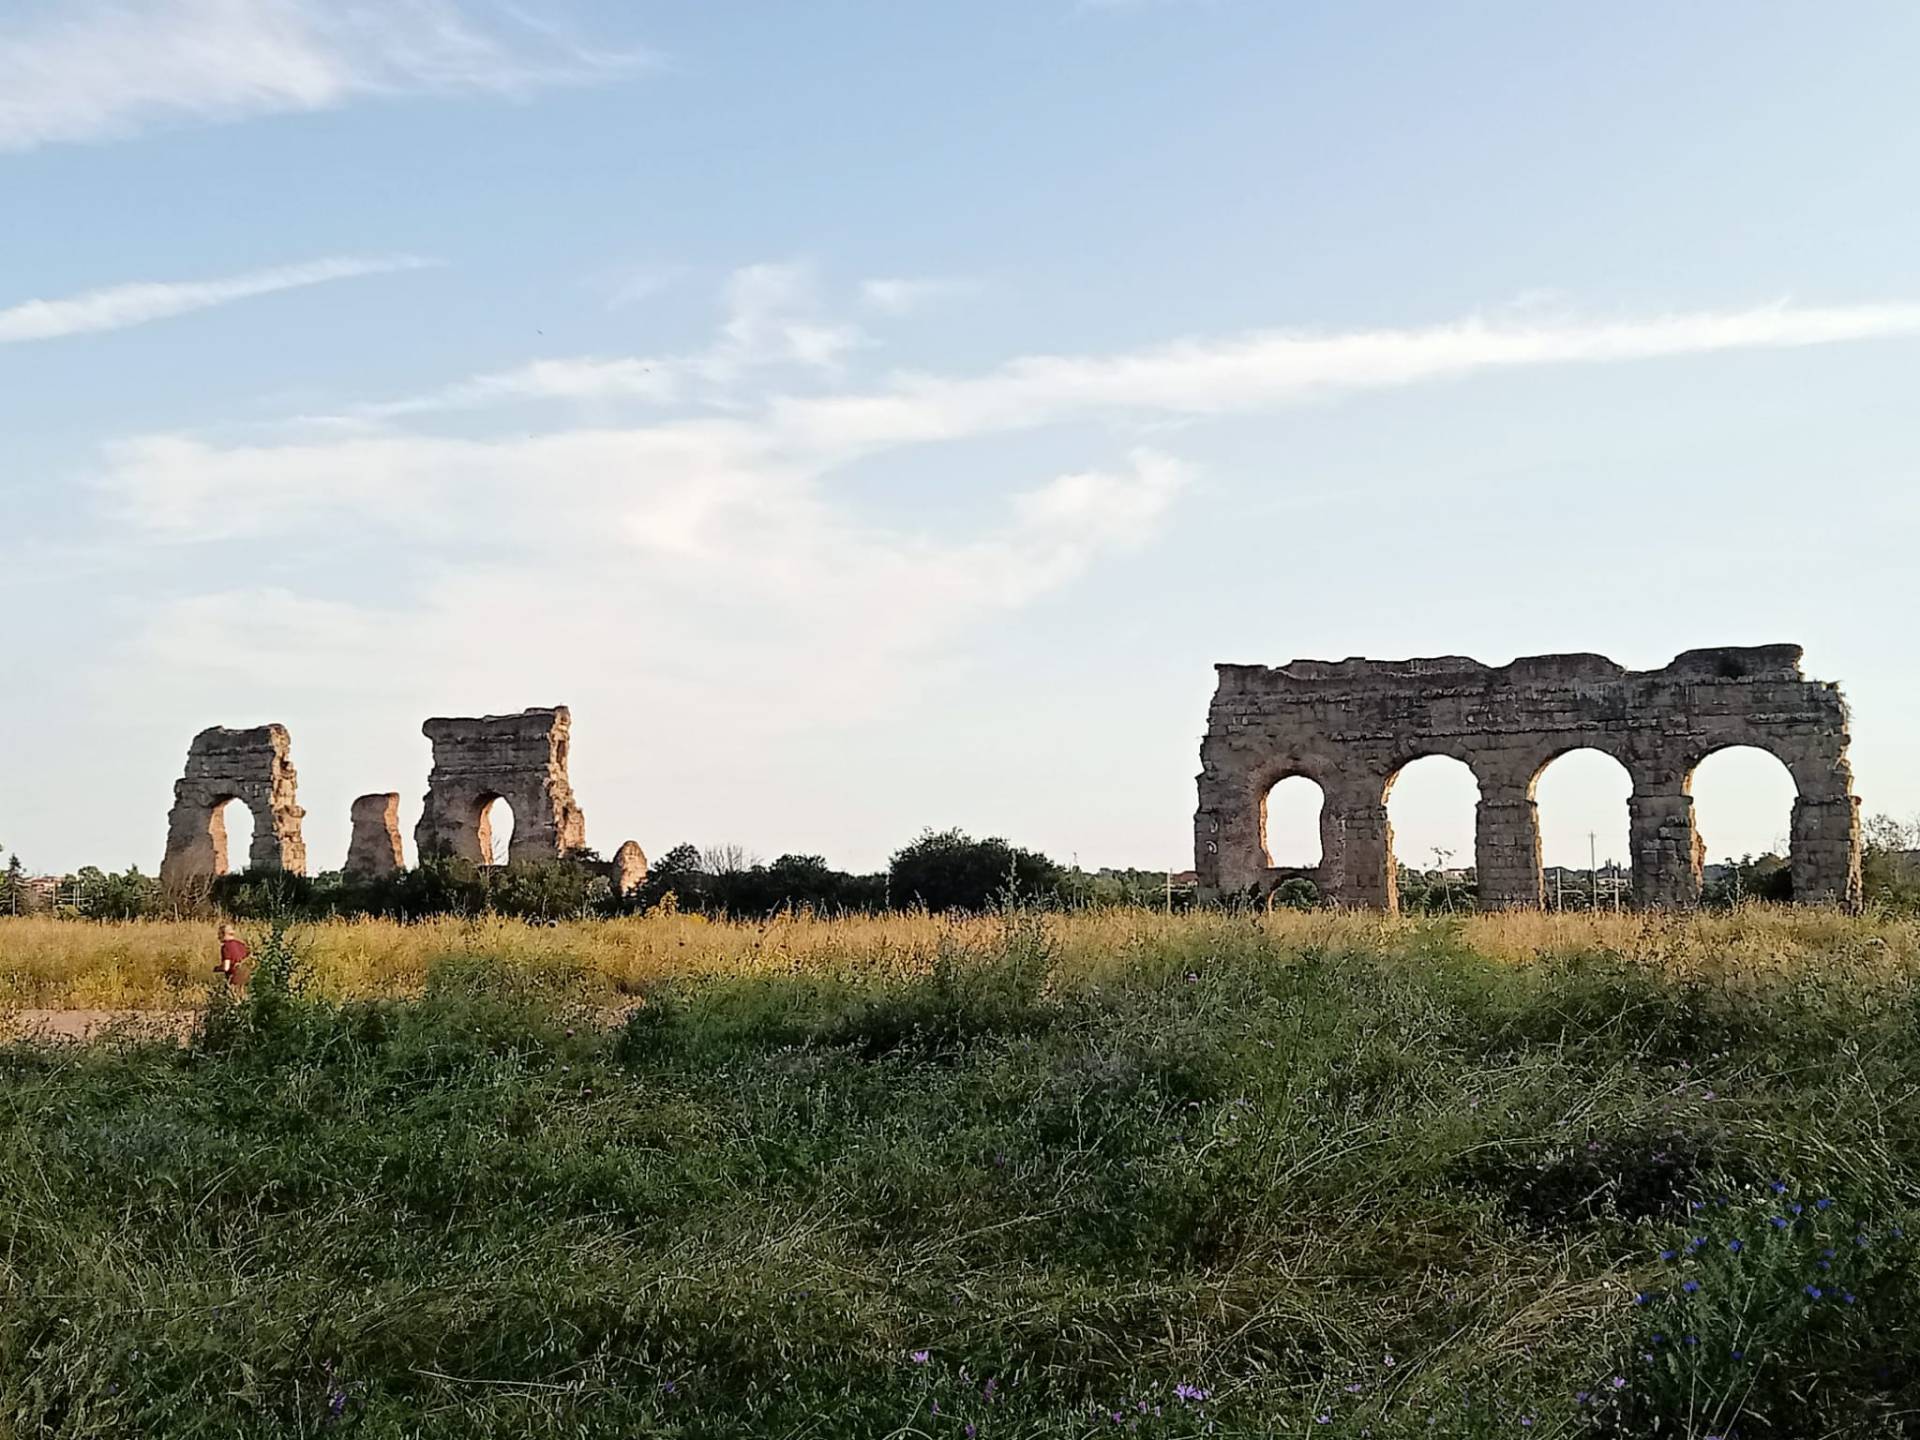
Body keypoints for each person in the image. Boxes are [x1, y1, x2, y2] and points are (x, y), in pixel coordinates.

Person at [216, 923, 250, 991]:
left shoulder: (226, 947)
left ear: (224, 934)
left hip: (234, 980)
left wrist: (217, 969)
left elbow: (226, 967)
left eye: (219, 934)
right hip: (247, 978)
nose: (218, 937)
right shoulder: (242, 945)